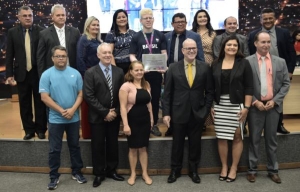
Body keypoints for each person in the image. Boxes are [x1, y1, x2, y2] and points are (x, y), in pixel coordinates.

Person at [163, 38, 214, 184]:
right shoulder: (173, 67)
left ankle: (193, 171)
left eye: (194, 48)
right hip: (178, 112)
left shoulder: (205, 67)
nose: (191, 51)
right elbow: (167, 94)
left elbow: (210, 91)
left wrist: (205, 109)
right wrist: (166, 113)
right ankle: (175, 170)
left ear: (197, 50)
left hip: (198, 113)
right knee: (177, 143)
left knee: (195, 144)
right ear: (182, 51)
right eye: (188, 48)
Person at [39, 45, 87, 190]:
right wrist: (61, 110)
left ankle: (76, 172)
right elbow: (44, 97)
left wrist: (72, 110)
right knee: (54, 149)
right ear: (52, 58)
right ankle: (54, 176)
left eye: (63, 56)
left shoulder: (76, 73)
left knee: (75, 146)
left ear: (67, 57)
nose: (61, 58)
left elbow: (81, 94)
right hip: (55, 119)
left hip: (73, 118)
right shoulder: (46, 75)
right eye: (58, 56)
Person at [246, 32, 290, 184]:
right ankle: (252, 170)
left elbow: (285, 84)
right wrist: (254, 101)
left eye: (268, 42)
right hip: (255, 107)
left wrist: (276, 100)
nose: (265, 45)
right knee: (254, 140)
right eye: (262, 42)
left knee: (272, 141)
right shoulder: (247, 62)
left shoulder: (280, 62)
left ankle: (273, 170)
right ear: (255, 44)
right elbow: (244, 85)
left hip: (273, 107)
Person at [211, 35, 253, 182]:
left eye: (235, 45)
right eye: (229, 45)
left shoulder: (244, 63)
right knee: (221, 137)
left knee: (236, 137)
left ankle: (234, 167)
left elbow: (249, 87)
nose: (232, 47)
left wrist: (246, 107)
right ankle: (224, 167)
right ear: (223, 47)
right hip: (220, 104)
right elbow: (211, 88)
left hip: (237, 105)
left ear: (238, 48)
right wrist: (212, 105)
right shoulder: (216, 63)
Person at [248, 8, 296, 134]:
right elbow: (249, 53)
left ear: (275, 19)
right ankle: (258, 126)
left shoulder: (284, 33)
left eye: (270, 18)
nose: (268, 21)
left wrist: (290, 70)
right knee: (260, 96)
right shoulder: (254, 35)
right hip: (259, 69)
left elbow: (291, 52)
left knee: (278, 98)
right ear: (261, 20)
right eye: (265, 18)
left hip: (279, 70)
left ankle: (279, 124)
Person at [83, 43, 124, 188]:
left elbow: (122, 95)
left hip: (114, 115)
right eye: (104, 53)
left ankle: (112, 170)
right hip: (97, 116)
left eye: (109, 53)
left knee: (113, 144)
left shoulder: (119, 72)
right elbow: (89, 96)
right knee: (98, 145)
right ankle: (99, 173)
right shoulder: (90, 73)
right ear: (98, 55)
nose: (107, 55)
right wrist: (105, 112)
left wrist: (115, 112)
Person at [5, 6, 47, 140]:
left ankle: (41, 129)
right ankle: (29, 130)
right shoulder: (12, 32)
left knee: (40, 102)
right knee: (24, 102)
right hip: (21, 73)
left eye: (30, 15)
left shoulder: (41, 31)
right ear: (19, 17)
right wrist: (9, 74)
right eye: (25, 16)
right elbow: (9, 55)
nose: (28, 18)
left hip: (38, 73)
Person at [164, 12, 204, 136]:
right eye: (177, 22)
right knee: (172, 98)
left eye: (183, 21)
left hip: (190, 71)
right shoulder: (166, 37)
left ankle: (194, 123)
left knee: (189, 98)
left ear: (186, 23)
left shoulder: (194, 36)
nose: (180, 24)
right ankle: (173, 125)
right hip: (172, 72)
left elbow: (200, 57)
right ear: (172, 24)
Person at [129, 8, 167, 137]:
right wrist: (139, 67)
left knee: (155, 99)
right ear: (141, 21)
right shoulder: (136, 36)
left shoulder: (160, 35)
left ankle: (154, 124)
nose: (148, 20)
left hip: (156, 74)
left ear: (153, 19)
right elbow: (132, 55)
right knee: (140, 99)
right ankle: (141, 123)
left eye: (150, 18)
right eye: (146, 18)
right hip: (141, 75)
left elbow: (164, 53)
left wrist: (163, 65)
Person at [119, 61, 153, 186]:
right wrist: (125, 125)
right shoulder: (125, 86)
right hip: (132, 120)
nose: (139, 72)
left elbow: (149, 104)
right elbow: (123, 107)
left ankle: (144, 173)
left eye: (141, 70)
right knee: (133, 148)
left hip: (144, 120)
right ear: (131, 72)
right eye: (136, 70)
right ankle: (133, 173)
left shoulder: (147, 84)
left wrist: (151, 120)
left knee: (143, 148)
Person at [37, 4, 80, 77]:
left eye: (63, 15)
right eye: (58, 15)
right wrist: (42, 76)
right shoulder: (44, 34)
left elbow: (79, 54)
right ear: (52, 17)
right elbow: (40, 57)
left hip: (72, 72)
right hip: (52, 74)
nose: (61, 17)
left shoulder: (75, 32)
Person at [76, 16, 102, 139]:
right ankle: (87, 134)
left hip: (98, 76)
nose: (96, 27)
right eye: (93, 25)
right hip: (88, 76)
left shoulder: (98, 41)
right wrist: (84, 77)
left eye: (97, 25)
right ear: (87, 26)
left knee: (97, 104)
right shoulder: (84, 39)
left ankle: (97, 132)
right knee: (87, 104)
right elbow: (80, 59)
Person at [191, 9, 216, 130]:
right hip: (193, 63)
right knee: (197, 91)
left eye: (204, 16)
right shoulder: (191, 33)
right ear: (196, 19)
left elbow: (216, 51)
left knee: (208, 91)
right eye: (200, 17)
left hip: (209, 62)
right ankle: (196, 119)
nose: (202, 19)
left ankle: (206, 121)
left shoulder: (213, 34)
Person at [105, 9, 136, 74]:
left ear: (127, 19)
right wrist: (115, 69)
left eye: (124, 17)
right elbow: (109, 53)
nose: (122, 19)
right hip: (118, 66)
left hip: (133, 65)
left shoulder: (133, 33)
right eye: (119, 17)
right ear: (115, 20)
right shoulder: (111, 35)